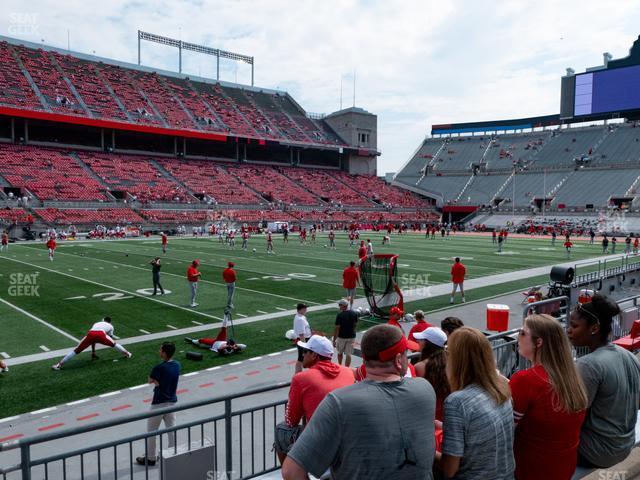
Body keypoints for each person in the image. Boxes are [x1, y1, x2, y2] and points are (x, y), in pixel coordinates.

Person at [282, 324, 436, 480]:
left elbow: (291, 472)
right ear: (398, 360)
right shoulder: (425, 389)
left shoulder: (339, 402)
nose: (407, 356)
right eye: (405, 353)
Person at [510, 314, 588, 480]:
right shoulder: (571, 376)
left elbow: (506, 428)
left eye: (523, 333)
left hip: (530, 470)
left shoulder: (525, 380)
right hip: (564, 468)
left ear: (539, 343)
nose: (518, 336)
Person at [567, 294, 640, 468]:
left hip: (598, 452)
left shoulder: (589, 364)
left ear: (594, 329)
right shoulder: (629, 355)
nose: (568, 330)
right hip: (624, 445)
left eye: (574, 326)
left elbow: (573, 417)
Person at [437, 327, 515, 479]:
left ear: (455, 359)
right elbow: (480, 433)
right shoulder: (501, 387)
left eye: (447, 351)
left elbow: (449, 469)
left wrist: (425, 450)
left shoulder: (457, 402)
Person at [275, 335, 354, 465]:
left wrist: (298, 373)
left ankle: (289, 472)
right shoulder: (347, 372)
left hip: (322, 442)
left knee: (281, 429)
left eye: (305, 352)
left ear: (314, 355)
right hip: (348, 436)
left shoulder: (302, 379)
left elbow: (291, 421)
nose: (302, 355)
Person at [136, 342, 181, 466]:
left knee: (151, 432)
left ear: (165, 353)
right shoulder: (177, 365)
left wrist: (156, 381)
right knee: (172, 430)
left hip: (158, 404)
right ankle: (173, 454)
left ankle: (151, 457)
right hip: (172, 402)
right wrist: (158, 382)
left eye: (160, 350)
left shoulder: (159, 367)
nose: (159, 351)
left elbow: (150, 380)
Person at [52, 317, 132, 370]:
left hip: (90, 334)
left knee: (75, 351)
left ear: (103, 320)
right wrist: (107, 342)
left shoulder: (97, 323)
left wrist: (93, 352)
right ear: (110, 322)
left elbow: (93, 339)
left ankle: (59, 365)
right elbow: (110, 337)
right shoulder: (111, 326)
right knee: (114, 344)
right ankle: (127, 353)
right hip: (101, 334)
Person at [413, 327, 449, 421]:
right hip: (448, 413)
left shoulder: (419, 367)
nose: (417, 341)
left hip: (428, 415)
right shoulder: (451, 363)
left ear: (427, 344)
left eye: (421, 339)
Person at [332, 299, 358, 367]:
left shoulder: (340, 315)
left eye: (340, 305)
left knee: (340, 353)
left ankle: (340, 366)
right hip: (352, 336)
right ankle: (347, 369)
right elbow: (355, 325)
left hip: (342, 337)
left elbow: (337, 328)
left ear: (343, 306)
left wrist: (334, 340)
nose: (339, 306)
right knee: (348, 354)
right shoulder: (354, 313)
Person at [293, 303, 311, 374]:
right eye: (305, 308)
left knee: (301, 358)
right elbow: (301, 334)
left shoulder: (300, 316)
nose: (306, 310)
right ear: (301, 309)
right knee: (301, 359)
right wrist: (304, 346)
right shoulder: (300, 319)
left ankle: (298, 374)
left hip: (304, 340)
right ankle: (298, 374)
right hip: (303, 340)